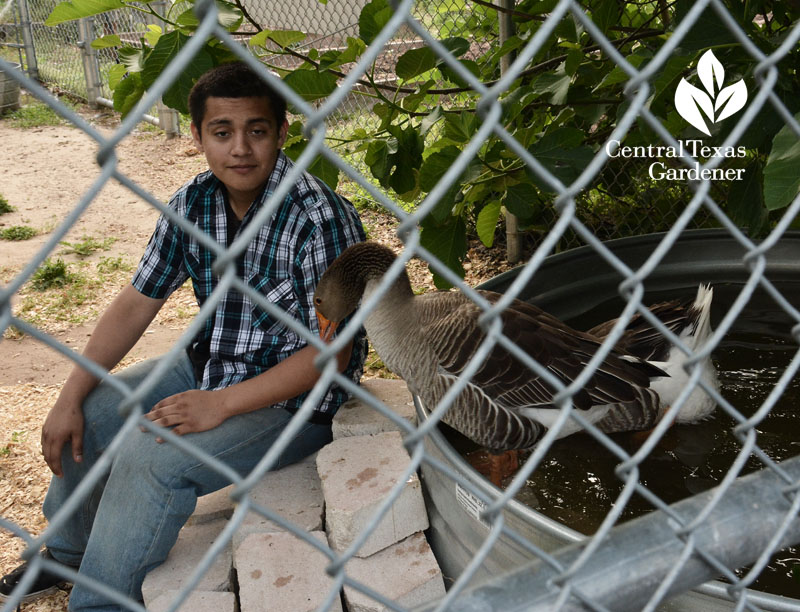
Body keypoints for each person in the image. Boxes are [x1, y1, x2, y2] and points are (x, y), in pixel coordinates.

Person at [0, 61, 367, 610]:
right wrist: (69, 395)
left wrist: (220, 405)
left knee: (152, 459)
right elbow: (133, 304)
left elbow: (332, 357)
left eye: (257, 130)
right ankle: (68, 553)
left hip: (296, 398)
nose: (240, 148)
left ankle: (101, 601)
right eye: (222, 132)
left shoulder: (319, 217)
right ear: (197, 136)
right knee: (95, 412)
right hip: (211, 361)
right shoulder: (193, 202)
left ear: (283, 133)